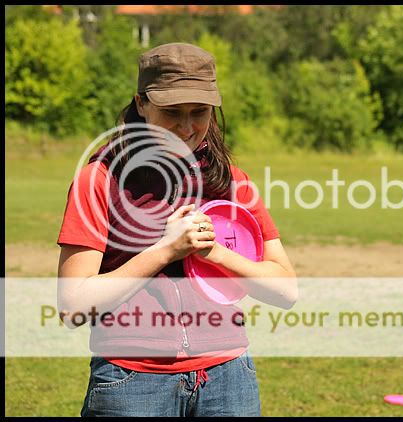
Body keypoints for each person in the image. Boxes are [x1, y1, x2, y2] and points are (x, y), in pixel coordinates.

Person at [57, 42, 297, 417]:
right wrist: (165, 251)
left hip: (228, 379)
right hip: (132, 382)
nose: (186, 128)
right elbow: (73, 306)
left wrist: (214, 252)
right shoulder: (99, 180)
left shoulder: (233, 182)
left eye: (199, 112)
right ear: (141, 103)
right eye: (172, 112)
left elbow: (285, 290)